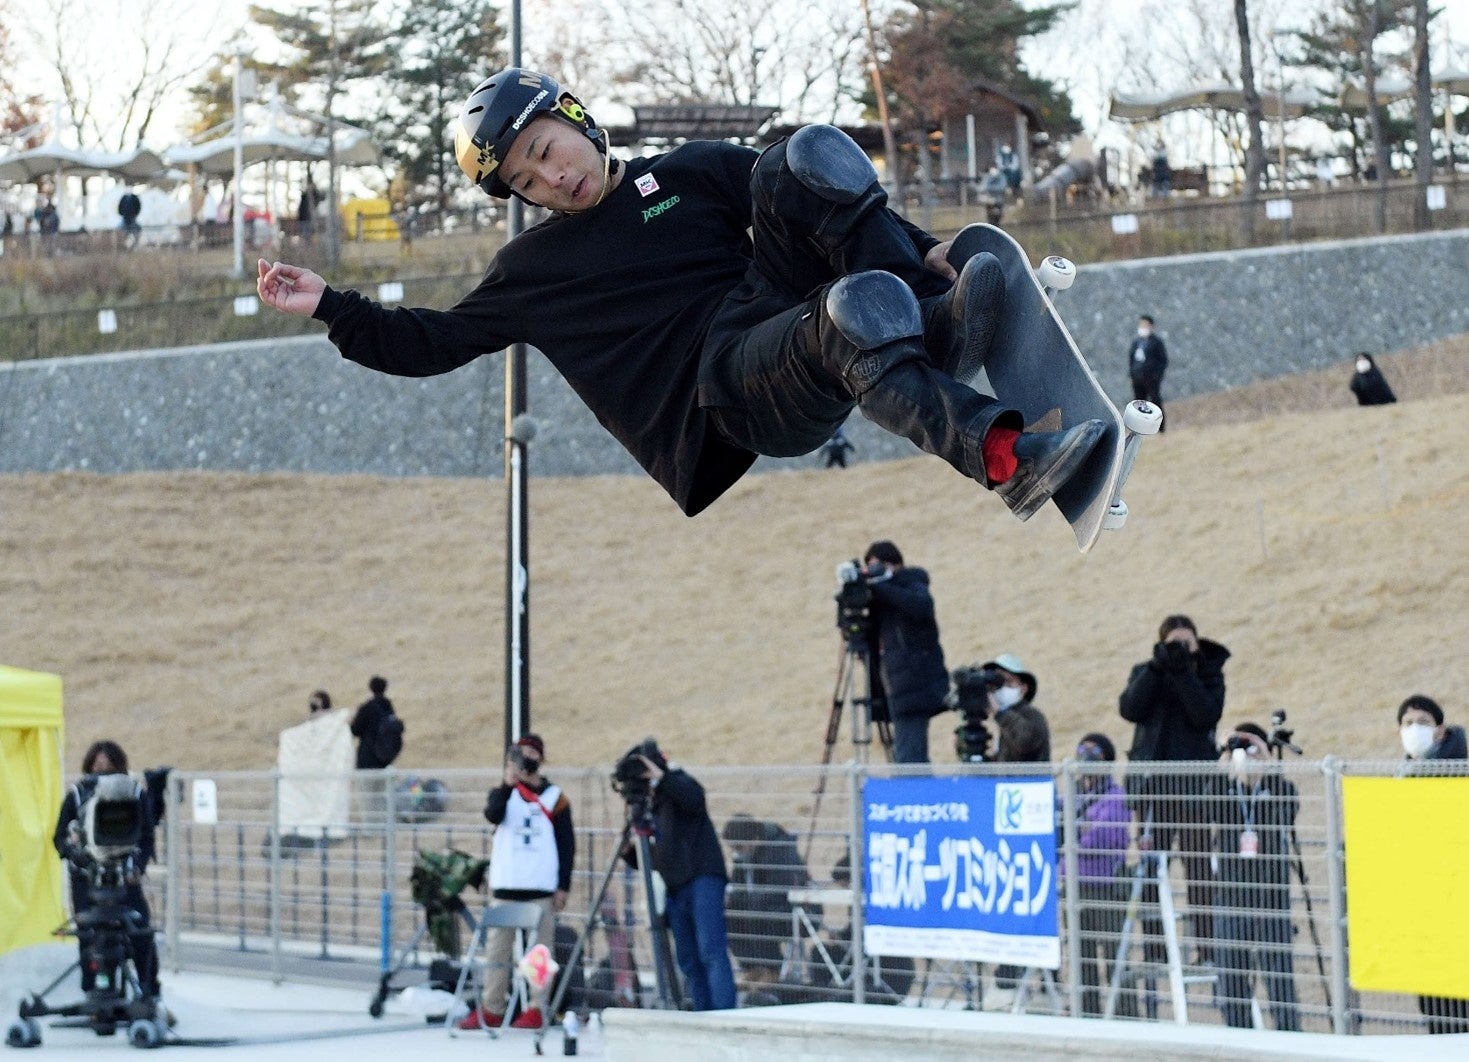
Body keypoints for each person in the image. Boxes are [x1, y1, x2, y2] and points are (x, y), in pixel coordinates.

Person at [257, 67, 1106, 527]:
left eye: (551, 151)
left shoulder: (688, 172)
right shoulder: (533, 270)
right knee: (845, 316)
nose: (554, 179)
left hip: (766, 309)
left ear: (577, 120)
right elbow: (428, 342)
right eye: (529, 181)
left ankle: (931, 308)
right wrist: (331, 304)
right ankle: (1004, 464)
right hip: (727, 395)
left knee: (799, 154)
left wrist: (926, 243)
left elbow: (818, 196)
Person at [1118, 614, 1228, 960]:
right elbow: (1130, 709)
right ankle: (1156, 947)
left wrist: (1184, 672)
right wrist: (1156, 668)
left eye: (1187, 642)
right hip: (1152, 790)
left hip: (1194, 789)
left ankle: (1207, 947)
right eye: (1173, 644)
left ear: (1197, 642)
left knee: (1198, 867)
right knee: (1151, 866)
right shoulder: (1146, 671)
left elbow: (1205, 715)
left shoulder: (1209, 673)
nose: (1181, 649)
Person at [458, 735, 574, 1031]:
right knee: (497, 949)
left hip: (541, 886)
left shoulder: (555, 798)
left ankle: (538, 1006)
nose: (528, 758)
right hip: (506, 885)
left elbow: (566, 845)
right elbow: (492, 814)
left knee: (539, 952)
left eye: (534, 753)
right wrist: (508, 783)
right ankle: (492, 1006)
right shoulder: (504, 793)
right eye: (523, 753)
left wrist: (563, 885)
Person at [627, 740, 735, 1010]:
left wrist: (661, 777)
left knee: (711, 950)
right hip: (675, 887)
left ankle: (724, 1015)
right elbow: (650, 859)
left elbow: (694, 798)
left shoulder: (679, 782)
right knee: (687, 958)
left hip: (703, 877)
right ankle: (703, 1014)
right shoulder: (649, 806)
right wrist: (629, 849)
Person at [52, 740, 161, 1002]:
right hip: (87, 878)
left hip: (126, 877)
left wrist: (137, 865)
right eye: (98, 766)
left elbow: (146, 835)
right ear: (88, 767)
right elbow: (58, 838)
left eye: (110, 767)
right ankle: (93, 991)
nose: (103, 771)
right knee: (90, 935)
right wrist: (75, 852)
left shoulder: (133, 794)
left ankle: (148, 990)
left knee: (139, 930)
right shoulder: (78, 794)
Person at [1209, 723, 1300, 1032]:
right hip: (1232, 900)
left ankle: (1291, 1043)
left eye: (1252, 748)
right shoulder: (1224, 793)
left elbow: (1287, 812)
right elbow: (1205, 802)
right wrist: (1224, 757)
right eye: (1242, 748)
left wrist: (1265, 765)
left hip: (1271, 900)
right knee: (1231, 986)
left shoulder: (1279, 789)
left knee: (1280, 987)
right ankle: (1241, 1042)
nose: (1246, 755)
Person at [1393, 694, 1469, 1033]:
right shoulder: (1402, 774)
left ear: (1440, 731)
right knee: (1433, 1007)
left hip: (1455, 904)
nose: (1413, 729)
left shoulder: (1459, 770)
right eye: (1407, 724)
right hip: (1421, 909)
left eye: (1422, 723)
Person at [861, 540, 950, 765]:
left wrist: (880, 587)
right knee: (909, 759)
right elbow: (866, 641)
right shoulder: (880, 601)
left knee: (909, 762)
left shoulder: (912, 582)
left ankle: (918, 798)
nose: (873, 572)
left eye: (877, 566)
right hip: (895, 688)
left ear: (894, 564)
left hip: (914, 686)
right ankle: (917, 796)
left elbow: (921, 607)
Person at [1068, 733, 1136, 1019]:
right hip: (1075, 887)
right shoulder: (1073, 797)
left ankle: (1127, 1017)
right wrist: (1079, 833)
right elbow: (1062, 832)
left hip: (1107, 886)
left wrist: (1078, 835)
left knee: (1114, 957)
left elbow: (1107, 836)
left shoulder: (1115, 796)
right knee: (1081, 958)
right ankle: (1087, 1015)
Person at [721, 813, 811, 994]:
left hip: (792, 911)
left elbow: (779, 889)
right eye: (733, 848)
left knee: (758, 914)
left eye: (739, 846)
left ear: (755, 839)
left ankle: (772, 970)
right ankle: (751, 967)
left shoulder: (780, 850)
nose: (736, 851)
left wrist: (744, 900)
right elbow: (738, 887)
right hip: (758, 908)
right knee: (728, 916)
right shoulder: (744, 856)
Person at [350, 675, 403, 820]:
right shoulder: (389, 708)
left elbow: (355, 730)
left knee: (367, 799)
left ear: (370, 688)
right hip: (384, 760)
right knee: (381, 797)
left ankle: (370, 830)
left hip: (367, 759)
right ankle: (383, 829)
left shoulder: (367, 708)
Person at [984, 653, 1050, 763]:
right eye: (999, 683)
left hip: (1030, 780)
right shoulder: (1005, 722)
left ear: (1023, 688)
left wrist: (999, 713)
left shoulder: (1032, 715)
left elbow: (1024, 742)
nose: (1002, 688)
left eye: (1009, 682)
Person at [1126, 314, 1168, 430]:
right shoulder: (1137, 342)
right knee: (1139, 403)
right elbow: (1131, 358)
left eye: (1145, 325)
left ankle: (1160, 428)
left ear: (1151, 326)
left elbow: (1163, 361)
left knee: (1155, 402)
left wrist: (1156, 375)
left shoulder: (1156, 342)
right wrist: (1132, 373)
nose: (1142, 328)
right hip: (1137, 378)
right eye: (1141, 325)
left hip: (1151, 379)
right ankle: (1138, 428)